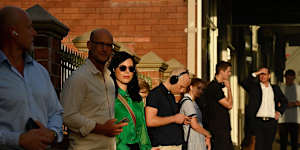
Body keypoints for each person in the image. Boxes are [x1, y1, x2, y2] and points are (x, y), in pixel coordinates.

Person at [0, 6, 64, 150]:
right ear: (13, 32)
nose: (34, 33)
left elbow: (56, 112)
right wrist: (18, 140)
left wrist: (52, 133)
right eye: (29, 28)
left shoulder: (40, 72)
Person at [61, 29, 127, 150]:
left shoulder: (109, 80)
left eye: (108, 45)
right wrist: (102, 128)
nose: (104, 49)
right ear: (89, 45)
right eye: (100, 44)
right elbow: (67, 116)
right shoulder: (79, 78)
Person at [108, 51, 152, 150]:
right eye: (123, 68)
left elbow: (143, 130)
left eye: (131, 69)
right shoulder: (107, 96)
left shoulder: (137, 99)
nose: (127, 72)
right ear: (114, 69)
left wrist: (146, 148)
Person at [240, 67, 288, 150]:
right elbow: (244, 83)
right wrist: (256, 73)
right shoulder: (254, 88)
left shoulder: (275, 88)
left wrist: (279, 112)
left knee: (268, 146)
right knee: (259, 146)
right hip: (258, 122)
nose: (262, 76)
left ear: (269, 76)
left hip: (271, 122)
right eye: (261, 74)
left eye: (264, 74)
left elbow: (284, 101)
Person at [145, 68, 191, 150]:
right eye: (181, 87)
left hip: (175, 145)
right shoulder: (155, 94)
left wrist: (181, 120)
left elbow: (167, 118)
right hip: (164, 146)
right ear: (173, 80)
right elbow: (150, 121)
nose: (182, 91)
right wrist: (174, 118)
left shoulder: (170, 96)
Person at [204, 61, 233, 150]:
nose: (230, 74)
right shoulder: (214, 87)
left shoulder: (217, 87)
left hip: (221, 128)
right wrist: (229, 88)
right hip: (218, 129)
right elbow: (229, 105)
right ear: (221, 71)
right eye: (228, 71)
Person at [180, 78, 211, 150]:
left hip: (197, 141)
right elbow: (194, 124)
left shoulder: (194, 102)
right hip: (193, 143)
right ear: (191, 87)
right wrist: (208, 134)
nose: (200, 91)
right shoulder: (188, 103)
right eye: (198, 88)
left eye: (202, 89)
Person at [278, 69, 300, 150]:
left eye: (291, 79)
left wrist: (287, 104)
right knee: (283, 143)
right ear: (285, 78)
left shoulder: (298, 88)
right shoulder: (281, 88)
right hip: (282, 120)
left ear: (294, 78)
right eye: (288, 79)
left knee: (294, 143)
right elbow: (278, 103)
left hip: (295, 120)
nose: (290, 81)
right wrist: (294, 103)